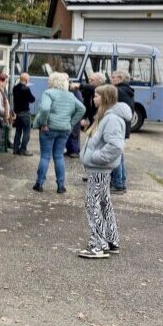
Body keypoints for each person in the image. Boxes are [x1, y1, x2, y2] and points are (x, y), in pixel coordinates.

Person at [78, 84, 130, 259]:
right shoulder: (105, 117)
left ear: (105, 98)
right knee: (103, 203)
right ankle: (110, 240)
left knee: (92, 203)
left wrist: (94, 157)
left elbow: (115, 146)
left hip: (99, 169)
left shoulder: (112, 119)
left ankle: (97, 244)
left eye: (97, 96)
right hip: (99, 169)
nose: (94, 99)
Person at [32, 72, 85, 194]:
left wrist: (44, 123)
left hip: (48, 128)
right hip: (64, 129)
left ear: (52, 82)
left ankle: (39, 183)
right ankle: (61, 186)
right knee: (59, 156)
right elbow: (82, 109)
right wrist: (71, 123)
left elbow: (45, 108)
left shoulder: (48, 93)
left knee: (45, 156)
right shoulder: (70, 95)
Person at [110, 70, 134, 194]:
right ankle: (120, 181)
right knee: (119, 156)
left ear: (120, 78)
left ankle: (119, 184)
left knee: (116, 156)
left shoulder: (120, 90)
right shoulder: (126, 90)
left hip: (118, 129)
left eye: (113, 77)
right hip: (122, 128)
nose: (111, 79)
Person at [0, 72, 14, 159]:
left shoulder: (0, 90)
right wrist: (7, 113)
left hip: (0, 118)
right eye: (6, 82)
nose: (6, 84)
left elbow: (5, 103)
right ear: (0, 81)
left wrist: (10, 112)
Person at [12, 73, 35, 156]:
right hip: (25, 113)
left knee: (18, 131)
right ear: (26, 80)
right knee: (26, 132)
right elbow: (32, 99)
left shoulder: (15, 88)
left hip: (17, 113)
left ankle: (15, 149)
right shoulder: (26, 89)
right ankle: (23, 149)